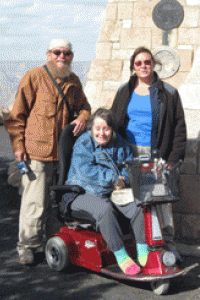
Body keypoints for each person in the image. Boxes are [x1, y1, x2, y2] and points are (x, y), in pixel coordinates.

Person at [4, 38, 91, 265]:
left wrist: (82, 117)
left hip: (62, 154)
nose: (62, 57)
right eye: (57, 52)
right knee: (35, 202)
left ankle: (55, 241)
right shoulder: (33, 77)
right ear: (48, 54)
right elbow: (16, 116)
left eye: (67, 53)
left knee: (57, 202)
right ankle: (28, 245)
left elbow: (85, 106)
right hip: (36, 151)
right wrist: (18, 146)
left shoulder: (73, 81)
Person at [110, 46, 187, 261]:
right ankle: (139, 245)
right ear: (133, 67)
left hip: (157, 155)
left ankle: (168, 245)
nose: (143, 66)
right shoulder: (124, 91)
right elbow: (115, 122)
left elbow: (179, 129)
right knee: (133, 201)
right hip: (129, 154)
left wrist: (172, 160)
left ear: (153, 64)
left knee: (162, 200)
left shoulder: (168, 93)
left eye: (147, 62)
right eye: (138, 63)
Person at [66, 108, 149, 275]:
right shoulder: (83, 144)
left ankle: (142, 247)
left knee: (140, 205)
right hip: (81, 192)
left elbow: (128, 166)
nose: (101, 133)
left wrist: (124, 178)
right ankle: (121, 255)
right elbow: (87, 173)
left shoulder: (120, 143)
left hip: (113, 191)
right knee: (104, 209)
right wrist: (114, 179)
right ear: (91, 129)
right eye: (98, 128)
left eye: (106, 129)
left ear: (112, 129)